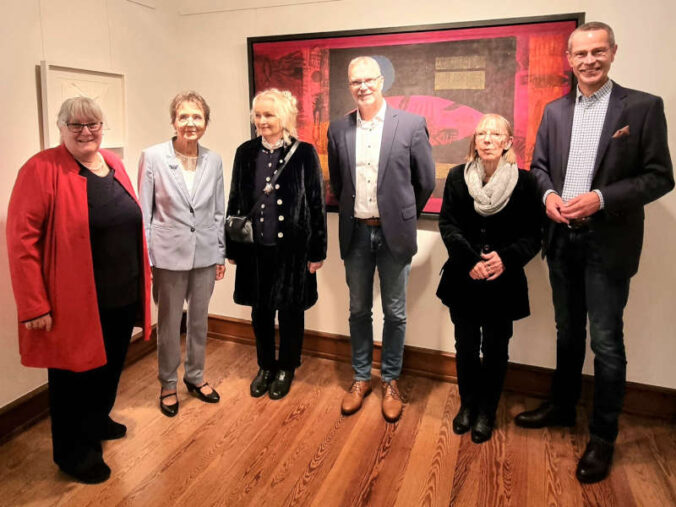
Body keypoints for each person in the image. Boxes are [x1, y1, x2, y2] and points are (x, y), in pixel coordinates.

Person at [515, 22, 674, 483]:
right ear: (569, 58)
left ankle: (603, 436)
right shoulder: (555, 110)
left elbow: (659, 177)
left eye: (597, 52)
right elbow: (539, 167)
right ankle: (563, 408)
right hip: (561, 240)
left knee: (606, 342)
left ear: (613, 53)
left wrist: (601, 198)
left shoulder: (642, 108)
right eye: (580, 53)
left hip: (609, 242)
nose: (589, 61)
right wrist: (547, 198)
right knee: (567, 332)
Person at [6, 96, 152, 484]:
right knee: (74, 379)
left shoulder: (114, 164)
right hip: (74, 300)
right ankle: (74, 453)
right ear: (62, 128)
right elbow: (22, 241)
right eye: (76, 125)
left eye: (93, 124)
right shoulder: (40, 169)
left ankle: (98, 420)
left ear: (103, 127)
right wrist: (34, 304)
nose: (86, 132)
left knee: (108, 368)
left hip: (120, 294)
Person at [328, 56, 436, 422]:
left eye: (368, 79)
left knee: (395, 312)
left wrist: (400, 213)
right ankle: (361, 378)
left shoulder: (410, 124)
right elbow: (340, 185)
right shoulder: (338, 129)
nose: (362, 86)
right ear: (350, 85)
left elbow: (425, 182)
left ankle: (390, 379)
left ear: (381, 80)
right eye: (355, 81)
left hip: (394, 235)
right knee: (358, 310)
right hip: (356, 233)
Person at [436, 114, 540, 443]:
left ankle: (486, 411)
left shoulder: (525, 183)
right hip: (464, 278)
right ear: (474, 140)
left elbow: (533, 234)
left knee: (496, 349)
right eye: (481, 133)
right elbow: (448, 225)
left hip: (502, 282)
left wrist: (505, 259)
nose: (487, 139)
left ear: (508, 142)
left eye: (496, 134)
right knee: (465, 346)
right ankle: (467, 406)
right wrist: (469, 260)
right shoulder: (456, 177)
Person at [226, 88, 327, 400]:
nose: (262, 121)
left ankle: (287, 367)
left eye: (268, 114)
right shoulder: (245, 152)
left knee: (291, 312)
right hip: (256, 250)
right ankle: (266, 366)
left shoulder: (305, 153)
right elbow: (235, 200)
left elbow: (316, 204)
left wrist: (317, 251)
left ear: (284, 117)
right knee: (261, 311)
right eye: (258, 115)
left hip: (294, 251)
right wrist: (232, 247)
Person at [138, 91, 225, 417]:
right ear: (173, 121)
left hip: (204, 253)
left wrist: (219, 253)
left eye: (197, 117)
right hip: (167, 255)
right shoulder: (153, 157)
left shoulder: (213, 160)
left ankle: (195, 376)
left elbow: (219, 210)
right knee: (170, 322)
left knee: (200, 321)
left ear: (205, 122)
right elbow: (144, 213)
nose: (190, 123)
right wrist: (146, 259)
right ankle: (168, 383)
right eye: (184, 116)